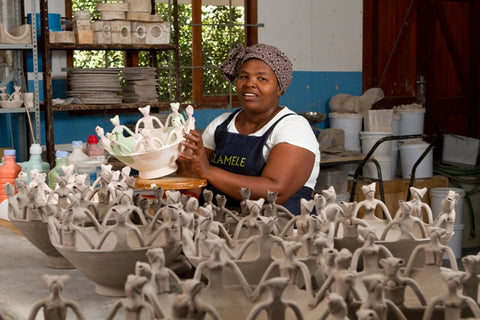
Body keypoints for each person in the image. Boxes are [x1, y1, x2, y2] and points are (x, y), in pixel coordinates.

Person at [178, 43, 320, 214]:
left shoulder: (293, 127)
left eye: (262, 79)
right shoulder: (221, 124)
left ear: (279, 88)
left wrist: (208, 171)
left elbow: (276, 191)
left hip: (279, 229)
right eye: (244, 77)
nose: (249, 84)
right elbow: (195, 176)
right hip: (220, 224)